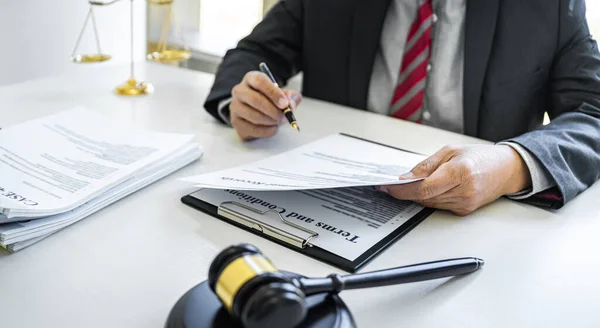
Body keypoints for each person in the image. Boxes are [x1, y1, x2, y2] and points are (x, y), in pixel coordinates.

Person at [204, 0, 600, 215]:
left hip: (470, 223)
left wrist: (511, 166)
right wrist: (243, 100)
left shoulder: (552, 8)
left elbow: (592, 111)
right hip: (326, 201)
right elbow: (255, 53)